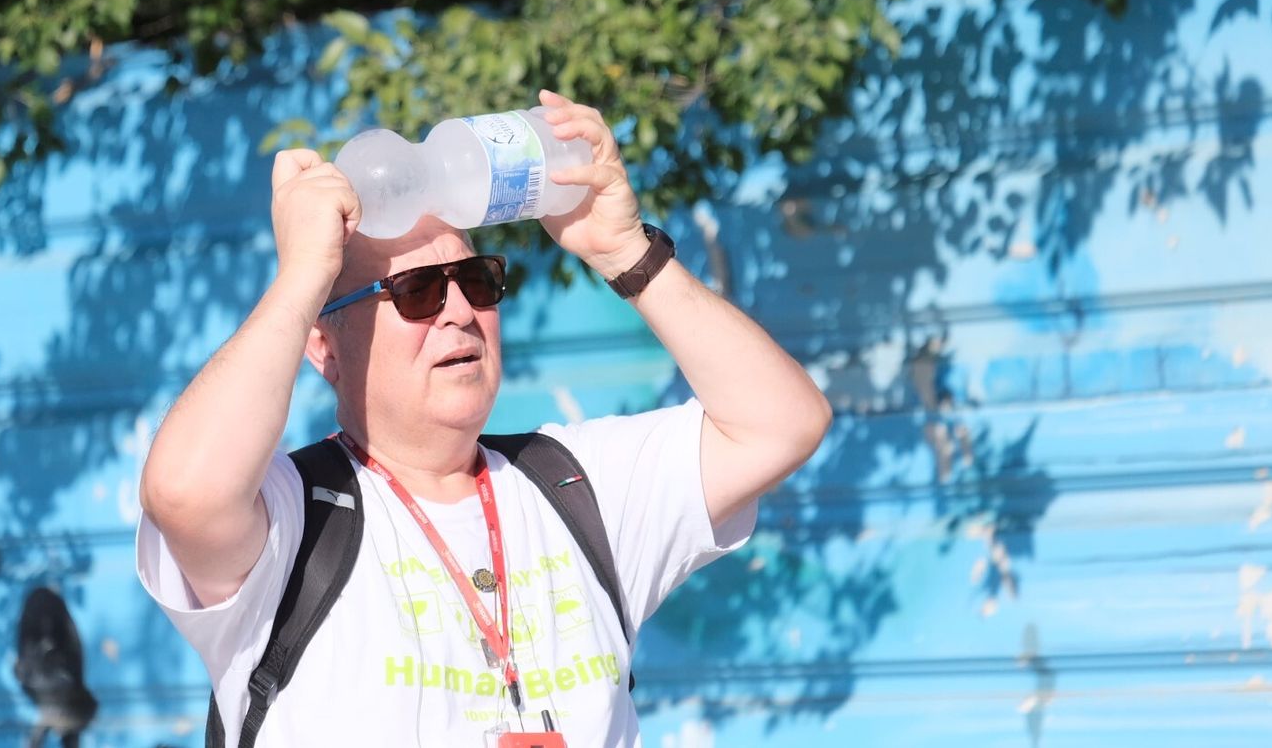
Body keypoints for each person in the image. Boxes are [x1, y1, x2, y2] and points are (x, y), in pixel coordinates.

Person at [136, 91, 832, 747]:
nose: (460, 311)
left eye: (476, 281)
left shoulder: (573, 485)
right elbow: (184, 493)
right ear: (324, 345)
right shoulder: (293, 519)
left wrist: (624, 251)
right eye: (414, 291)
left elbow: (782, 423)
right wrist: (300, 278)